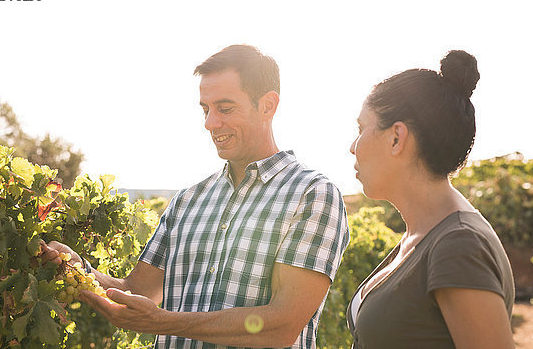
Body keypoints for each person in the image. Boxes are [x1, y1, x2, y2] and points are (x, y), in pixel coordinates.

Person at [41, 44, 349, 348]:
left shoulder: (313, 195)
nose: (210, 123)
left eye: (225, 109)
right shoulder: (188, 200)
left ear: (267, 105)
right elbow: (137, 292)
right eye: (206, 109)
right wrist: (75, 267)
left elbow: (282, 326)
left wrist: (164, 322)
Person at [346, 50, 515, 348]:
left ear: (396, 137)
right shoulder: (425, 234)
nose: (352, 147)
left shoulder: (458, 244)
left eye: (361, 129)